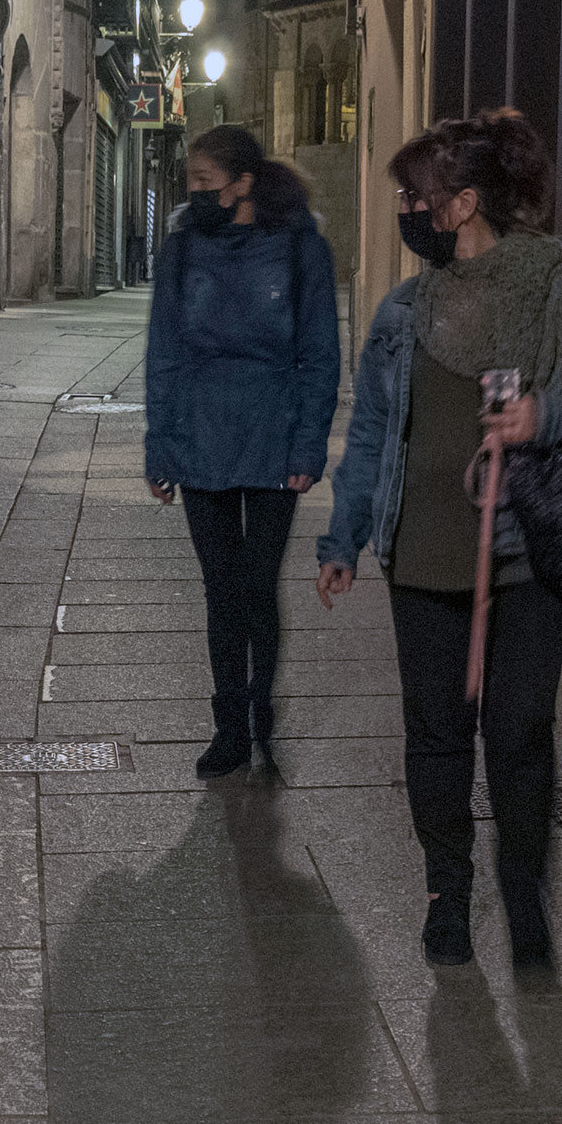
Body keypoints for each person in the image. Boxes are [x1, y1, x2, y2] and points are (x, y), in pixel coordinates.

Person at [315, 108, 562, 968]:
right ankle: (447, 894)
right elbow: (375, 437)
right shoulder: (402, 313)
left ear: (460, 205)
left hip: (524, 554)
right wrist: (342, 539)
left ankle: (525, 893)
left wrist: (547, 413)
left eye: (413, 196)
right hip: (420, 553)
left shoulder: (560, 287)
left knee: (521, 725)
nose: (405, 210)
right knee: (435, 732)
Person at [145, 125, 341, 779]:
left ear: (243, 183)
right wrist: (161, 446)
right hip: (202, 439)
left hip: (273, 439)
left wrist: (309, 442)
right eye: (191, 183)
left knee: (258, 586)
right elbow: (164, 353)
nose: (195, 194)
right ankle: (230, 725)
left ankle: (262, 712)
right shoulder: (180, 251)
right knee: (221, 590)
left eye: (205, 182)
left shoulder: (299, 250)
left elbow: (319, 356)